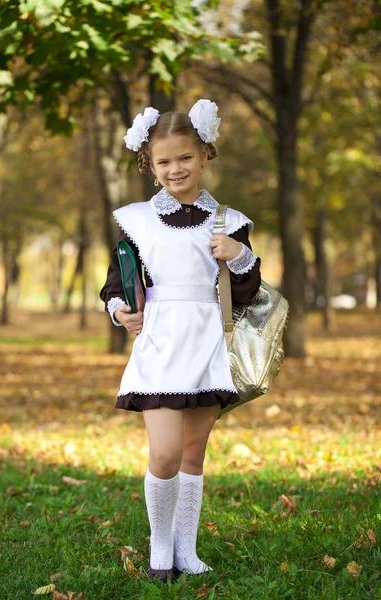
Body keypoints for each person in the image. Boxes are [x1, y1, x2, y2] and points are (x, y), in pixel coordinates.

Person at [99, 99, 261, 582]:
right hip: (160, 346)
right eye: (164, 161)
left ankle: (186, 551)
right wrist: (121, 309)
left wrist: (238, 256)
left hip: (207, 345)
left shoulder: (230, 223)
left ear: (205, 153)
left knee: (193, 452)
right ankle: (159, 547)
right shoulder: (138, 221)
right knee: (165, 453)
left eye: (185, 158)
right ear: (151, 165)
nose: (176, 169)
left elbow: (247, 294)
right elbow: (116, 282)